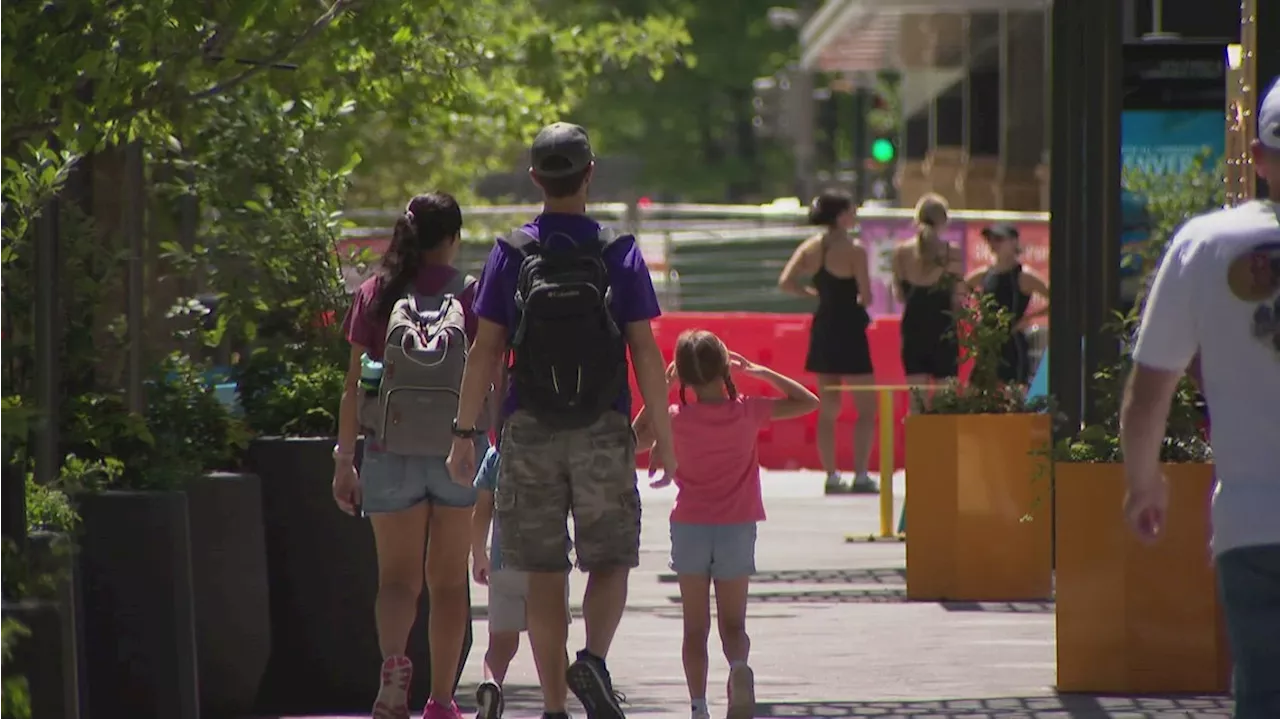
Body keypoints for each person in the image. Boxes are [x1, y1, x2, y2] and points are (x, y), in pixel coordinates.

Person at [445, 122, 677, 719]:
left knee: (544, 571)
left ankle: (553, 706)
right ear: (590, 174)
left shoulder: (510, 252)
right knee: (611, 558)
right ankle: (592, 660)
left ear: (534, 179)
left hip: (529, 430)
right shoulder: (617, 251)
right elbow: (645, 350)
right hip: (603, 424)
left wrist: (464, 434)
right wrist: (666, 443)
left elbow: (486, 350)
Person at [1122, 78, 1280, 718]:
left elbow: (1149, 387)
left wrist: (1143, 482)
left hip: (1251, 522)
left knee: (1264, 690)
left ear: (1258, 155)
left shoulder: (1204, 245)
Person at [334, 192, 487, 719]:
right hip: (458, 451)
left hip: (387, 450)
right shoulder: (472, 295)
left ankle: (395, 666)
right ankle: (441, 700)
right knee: (448, 582)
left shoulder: (377, 293)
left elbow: (354, 384)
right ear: (453, 238)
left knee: (398, 580)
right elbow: (492, 371)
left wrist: (343, 460)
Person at [632, 330, 819, 719]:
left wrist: (663, 388)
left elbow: (631, 440)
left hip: (690, 528)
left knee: (694, 629)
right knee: (733, 625)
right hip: (737, 526)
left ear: (682, 377)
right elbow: (807, 402)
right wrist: (760, 371)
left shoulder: (674, 418)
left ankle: (699, 707)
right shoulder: (747, 410)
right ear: (724, 367)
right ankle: (738, 669)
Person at [777, 189, 877, 494]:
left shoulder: (811, 248)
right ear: (842, 216)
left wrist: (815, 295)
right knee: (866, 408)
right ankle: (860, 474)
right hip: (850, 329)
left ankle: (831, 475)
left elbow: (786, 282)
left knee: (828, 407)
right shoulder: (855, 250)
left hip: (824, 328)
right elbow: (867, 295)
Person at [470, 441, 573, 719]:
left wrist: (479, 554)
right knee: (552, 640)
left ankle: (491, 684)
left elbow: (481, 510)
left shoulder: (495, 456)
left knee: (500, 643)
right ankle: (556, 705)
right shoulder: (557, 449)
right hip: (547, 565)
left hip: (503, 565)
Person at [891, 193, 964, 403]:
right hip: (943, 329)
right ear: (944, 220)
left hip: (913, 330)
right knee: (945, 403)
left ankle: (915, 437)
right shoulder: (952, 253)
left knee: (916, 404)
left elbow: (899, 295)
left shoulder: (900, 252)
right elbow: (958, 297)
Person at [964, 223, 1050, 384]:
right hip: (988, 345)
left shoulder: (1023, 276)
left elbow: (1057, 300)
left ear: (1013, 242)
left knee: (1013, 395)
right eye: (990, 239)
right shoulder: (985, 274)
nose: (993, 244)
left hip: (1012, 344)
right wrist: (973, 317)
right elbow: (959, 290)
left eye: (998, 239)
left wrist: (1028, 318)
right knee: (977, 393)